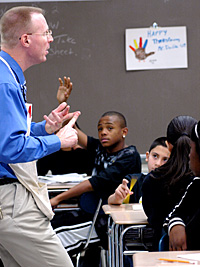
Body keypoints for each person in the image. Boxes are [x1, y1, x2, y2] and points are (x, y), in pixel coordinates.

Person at [0, 6, 81, 267]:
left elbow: (8, 136)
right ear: (26, 40)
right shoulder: (5, 82)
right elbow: (11, 147)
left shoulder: (8, 74)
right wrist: (60, 140)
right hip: (11, 202)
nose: (51, 38)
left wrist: (42, 129)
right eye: (45, 32)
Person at [50, 110, 141, 266]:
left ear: (124, 132)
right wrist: (62, 104)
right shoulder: (100, 149)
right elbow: (74, 130)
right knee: (48, 227)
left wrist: (58, 198)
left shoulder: (129, 156)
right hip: (89, 213)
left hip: (106, 223)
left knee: (54, 239)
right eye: (100, 129)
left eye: (109, 128)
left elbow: (94, 182)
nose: (103, 132)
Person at [142, 115, 197, 250]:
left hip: (163, 253)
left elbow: (153, 218)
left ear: (168, 145)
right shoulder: (195, 182)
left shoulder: (152, 179)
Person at [37, 77, 94, 176]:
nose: (64, 132)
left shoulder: (82, 154)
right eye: (60, 130)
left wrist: (63, 103)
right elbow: (39, 174)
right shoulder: (51, 153)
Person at [164, 120, 200, 251]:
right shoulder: (197, 186)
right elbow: (175, 213)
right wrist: (175, 223)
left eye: (192, 149)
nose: (189, 155)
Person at [108, 136, 170, 205]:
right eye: (155, 156)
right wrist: (117, 197)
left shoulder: (175, 186)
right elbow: (111, 201)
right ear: (147, 156)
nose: (158, 163)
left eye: (165, 159)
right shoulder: (133, 181)